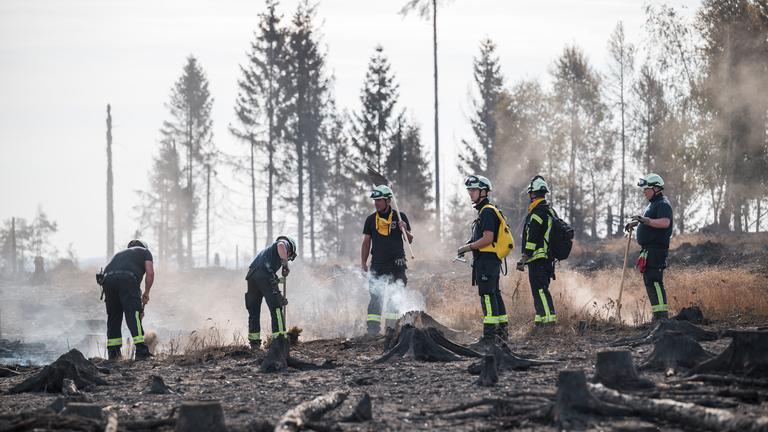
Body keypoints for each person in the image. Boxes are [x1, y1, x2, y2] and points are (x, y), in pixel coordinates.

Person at [457, 175, 509, 340]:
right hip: (489, 260)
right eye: (469, 190)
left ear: (484, 192)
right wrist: (471, 242)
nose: (470, 193)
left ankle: (490, 336)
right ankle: (501, 333)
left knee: (487, 295)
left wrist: (468, 247)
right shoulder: (486, 211)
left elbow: (487, 238)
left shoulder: (486, 211)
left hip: (487, 261)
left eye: (473, 190)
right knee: (494, 294)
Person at [361, 185, 413, 335]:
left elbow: (409, 240)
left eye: (379, 200)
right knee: (376, 298)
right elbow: (366, 242)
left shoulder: (399, 216)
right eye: (375, 200)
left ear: (388, 201)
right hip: (377, 265)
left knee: (394, 298)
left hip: (397, 265)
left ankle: (391, 330)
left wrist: (405, 229)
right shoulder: (371, 220)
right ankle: (372, 331)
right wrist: (363, 262)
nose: (376, 203)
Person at [625, 173, 673, 320]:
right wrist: (637, 223)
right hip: (648, 250)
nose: (644, 192)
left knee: (655, 281)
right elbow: (650, 222)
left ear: (656, 188)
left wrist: (644, 220)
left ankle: (662, 316)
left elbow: (665, 223)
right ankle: (657, 314)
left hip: (657, 250)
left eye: (646, 189)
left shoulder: (663, 204)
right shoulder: (652, 205)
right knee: (649, 281)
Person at [101, 239, 154, 360]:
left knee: (114, 316)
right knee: (132, 314)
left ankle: (113, 354)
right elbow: (150, 273)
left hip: (107, 280)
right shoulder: (145, 251)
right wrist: (147, 292)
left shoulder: (119, 255)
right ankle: (141, 352)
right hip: (127, 278)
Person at [517, 176, 557, 326]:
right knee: (539, 290)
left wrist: (524, 257)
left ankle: (548, 322)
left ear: (533, 194)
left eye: (530, 194)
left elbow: (532, 238)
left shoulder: (536, 213)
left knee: (540, 290)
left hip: (538, 259)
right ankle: (540, 320)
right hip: (546, 259)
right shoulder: (549, 211)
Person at [245, 236, 297, 349]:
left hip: (252, 276)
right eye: (289, 257)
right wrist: (285, 265)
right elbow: (281, 246)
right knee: (277, 308)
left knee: (253, 311)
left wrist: (278, 291)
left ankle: (254, 344)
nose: (287, 259)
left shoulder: (268, 253)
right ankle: (279, 340)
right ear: (290, 250)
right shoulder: (284, 243)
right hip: (265, 275)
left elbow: (266, 277)